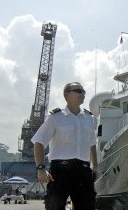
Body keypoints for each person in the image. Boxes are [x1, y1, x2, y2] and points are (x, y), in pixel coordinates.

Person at [32, 82, 98, 210]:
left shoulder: (89, 118)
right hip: (60, 171)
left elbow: (92, 144)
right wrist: (40, 168)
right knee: (54, 207)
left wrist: (95, 166)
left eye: (83, 91)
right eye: (78, 90)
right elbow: (39, 142)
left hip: (83, 171)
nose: (82, 93)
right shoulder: (55, 117)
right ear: (67, 94)